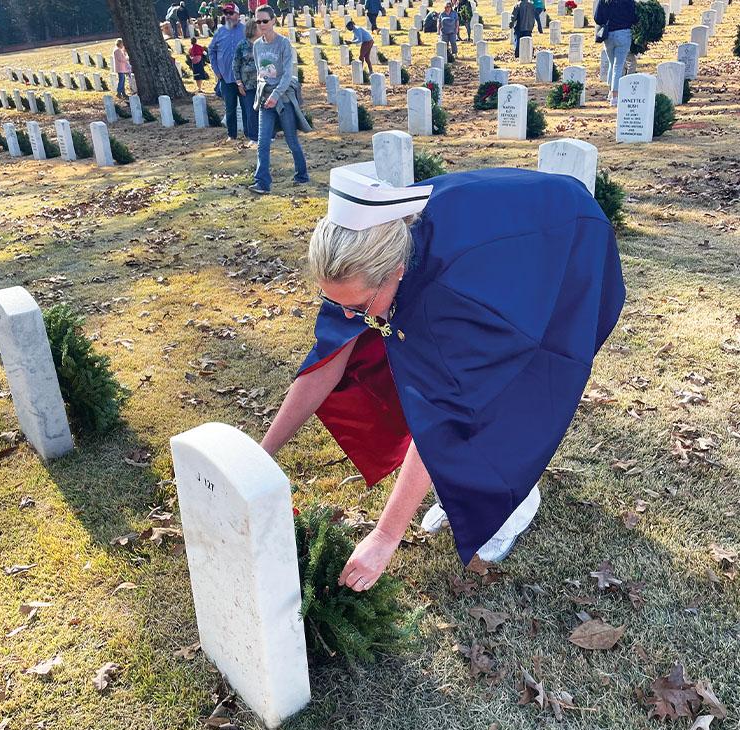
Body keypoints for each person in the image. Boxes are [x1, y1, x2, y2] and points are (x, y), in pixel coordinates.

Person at [260, 165, 625, 592]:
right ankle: (464, 486)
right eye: (333, 302)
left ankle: (516, 500)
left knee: (513, 388)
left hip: (567, 249)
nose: (346, 316)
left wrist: (384, 536)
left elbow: (444, 413)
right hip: (496, 237)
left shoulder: (454, 299)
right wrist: (261, 455)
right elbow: (329, 356)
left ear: (395, 270)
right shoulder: (359, 259)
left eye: (358, 306)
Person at [248, 4, 310, 195]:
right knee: (263, 141)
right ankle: (262, 182)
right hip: (266, 99)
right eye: (258, 21)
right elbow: (260, 72)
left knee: (291, 140)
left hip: (283, 99)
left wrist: (276, 96)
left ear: (273, 21)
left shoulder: (283, 43)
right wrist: (264, 91)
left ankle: (302, 174)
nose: (261, 24)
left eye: (265, 21)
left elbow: (287, 75)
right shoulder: (257, 45)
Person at [208, 3, 246, 140]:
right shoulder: (220, 32)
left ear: (238, 15)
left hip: (243, 78)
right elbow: (211, 50)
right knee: (230, 109)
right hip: (226, 78)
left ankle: (249, 134)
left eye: (231, 13)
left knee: (246, 107)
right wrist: (216, 71)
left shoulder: (246, 30)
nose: (228, 16)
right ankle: (232, 135)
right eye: (226, 13)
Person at [594, 0, 637, 105]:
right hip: (624, 34)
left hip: (608, 35)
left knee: (612, 64)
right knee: (618, 66)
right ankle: (615, 97)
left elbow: (597, 18)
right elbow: (635, 17)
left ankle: (610, 92)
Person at [233, 18, 261, 145]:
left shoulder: (263, 43)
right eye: (258, 27)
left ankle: (268, 134)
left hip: (263, 83)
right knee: (251, 111)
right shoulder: (242, 45)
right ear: (252, 29)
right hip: (248, 84)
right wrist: (239, 83)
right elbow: (236, 65)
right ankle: (254, 137)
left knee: (265, 110)